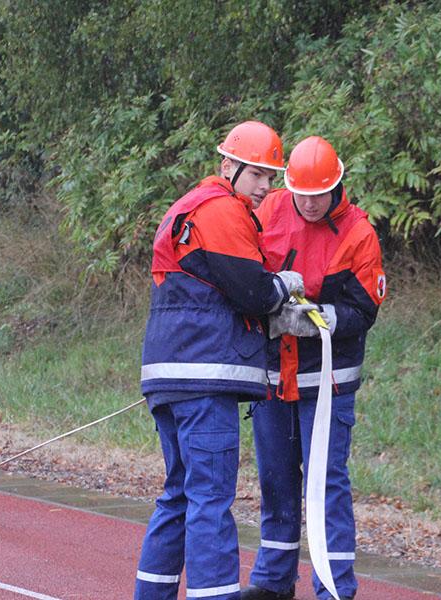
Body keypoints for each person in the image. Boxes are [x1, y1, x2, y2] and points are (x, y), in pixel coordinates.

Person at [134, 121, 305, 600]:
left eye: (272, 177)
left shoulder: (187, 208)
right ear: (228, 166)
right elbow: (252, 291)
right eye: (258, 176)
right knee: (209, 499)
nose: (266, 188)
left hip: (169, 375)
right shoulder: (221, 211)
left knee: (179, 496)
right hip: (205, 378)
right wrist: (284, 286)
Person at [242, 136, 387, 600]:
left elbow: (364, 311)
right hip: (272, 378)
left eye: (318, 195)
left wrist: (315, 320)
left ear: (336, 187)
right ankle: (272, 581)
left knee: (326, 486)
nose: (308, 204)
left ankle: (334, 587)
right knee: (276, 481)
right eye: (300, 194)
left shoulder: (359, 234)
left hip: (326, 383)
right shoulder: (270, 211)